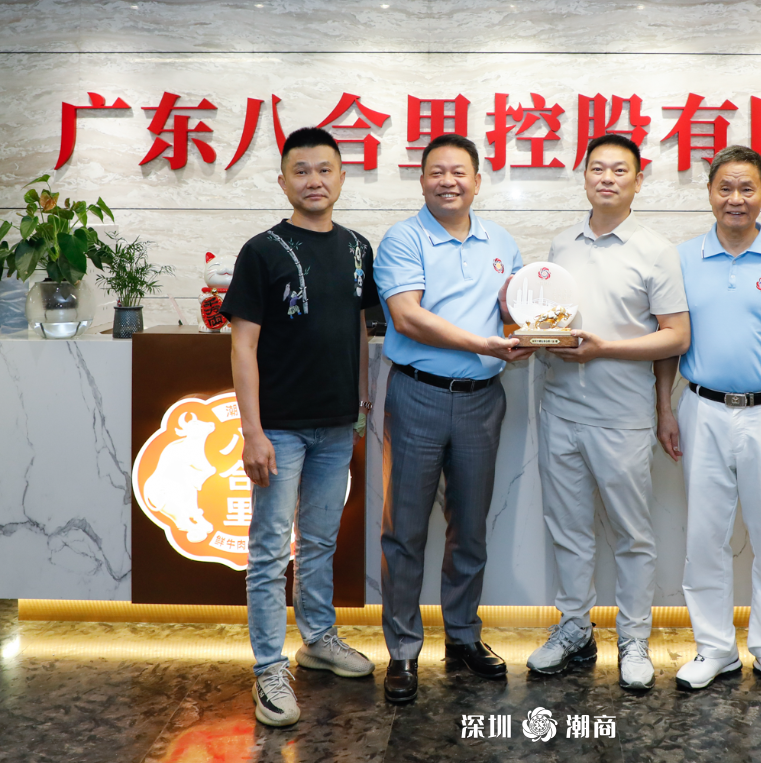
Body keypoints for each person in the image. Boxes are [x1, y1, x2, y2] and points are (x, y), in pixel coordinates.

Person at [655, 145, 761, 701]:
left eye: (747, 188)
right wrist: (665, 407)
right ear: (709, 193)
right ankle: (715, 649)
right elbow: (668, 342)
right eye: (725, 188)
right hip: (701, 409)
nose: (736, 199)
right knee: (704, 536)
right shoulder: (681, 259)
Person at [222, 127, 378, 727]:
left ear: (342, 177)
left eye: (325, 169)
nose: (314, 180)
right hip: (280, 429)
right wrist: (253, 431)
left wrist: (360, 401)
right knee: (268, 551)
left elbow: (360, 328)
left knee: (319, 542)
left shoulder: (358, 248)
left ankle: (318, 639)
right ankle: (268, 668)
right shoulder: (261, 250)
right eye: (302, 170)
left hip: (336, 425)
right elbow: (243, 346)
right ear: (283, 181)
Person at [526, 134, 690, 691]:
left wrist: (605, 350)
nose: (607, 178)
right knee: (568, 529)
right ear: (585, 178)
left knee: (631, 534)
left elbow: (676, 336)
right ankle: (574, 629)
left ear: (638, 181)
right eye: (597, 168)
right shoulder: (561, 244)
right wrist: (530, 334)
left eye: (620, 170)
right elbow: (551, 320)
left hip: (622, 414)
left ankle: (634, 638)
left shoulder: (656, 250)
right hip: (560, 409)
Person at [374, 133, 532, 704]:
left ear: (478, 181)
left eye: (459, 172)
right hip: (418, 395)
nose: (448, 181)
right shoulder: (403, 238)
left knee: (470, 526)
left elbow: (517, 310)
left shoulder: (501, 242)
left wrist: (526, 338)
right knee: (405, 530)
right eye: (437, 172)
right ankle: (402, 650)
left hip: (482, 401)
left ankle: (463, 637)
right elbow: (407, 317)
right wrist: (484, 344)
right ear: (421, 181)